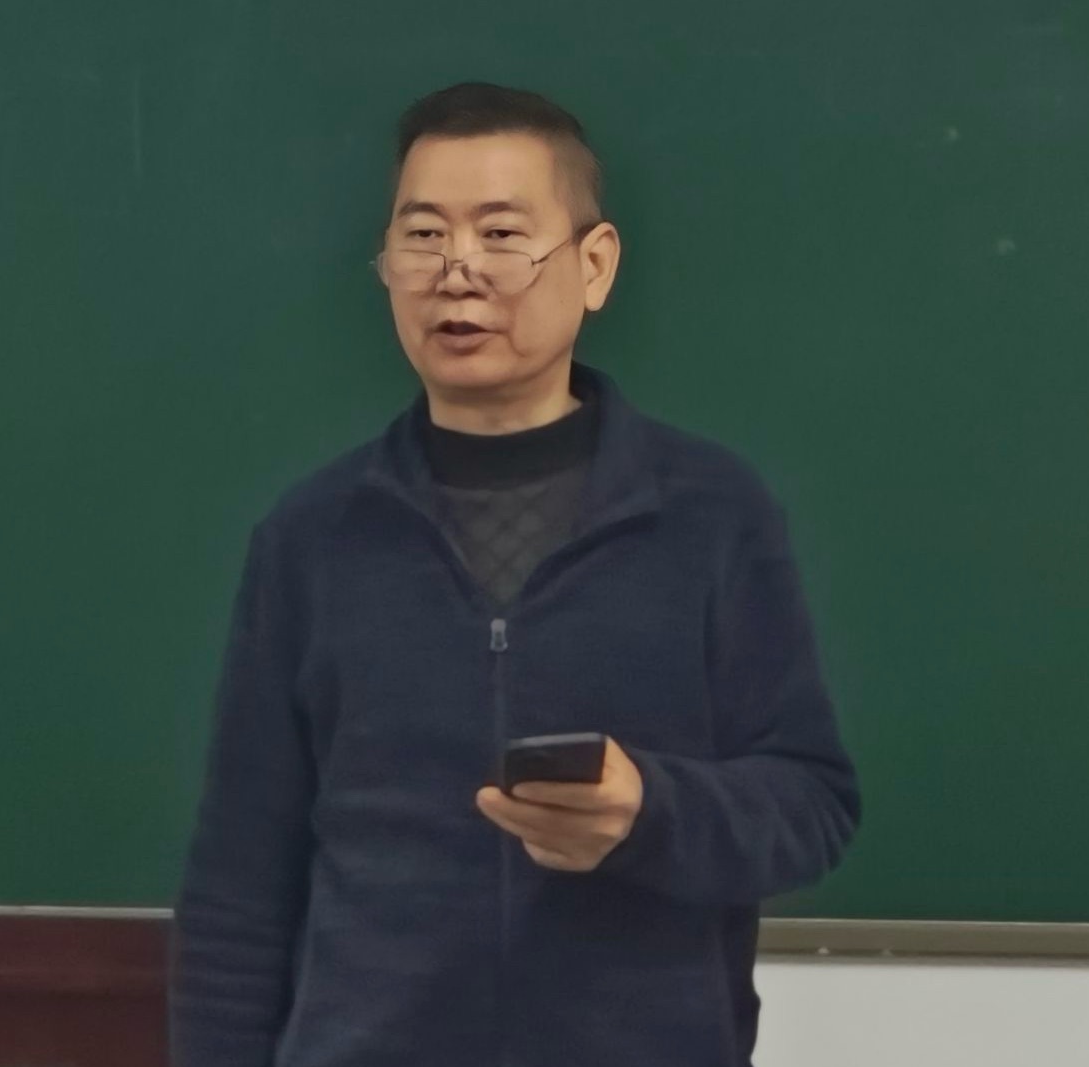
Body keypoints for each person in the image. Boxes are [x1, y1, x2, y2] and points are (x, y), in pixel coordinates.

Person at [170, 81, 861, 1067]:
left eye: (500, 234)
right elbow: (240, 883)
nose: (457, 272)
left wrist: (649, 811)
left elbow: (810, 804)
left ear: (594, 265)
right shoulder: (312, 536)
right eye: (423, 236)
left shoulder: (711, 515)